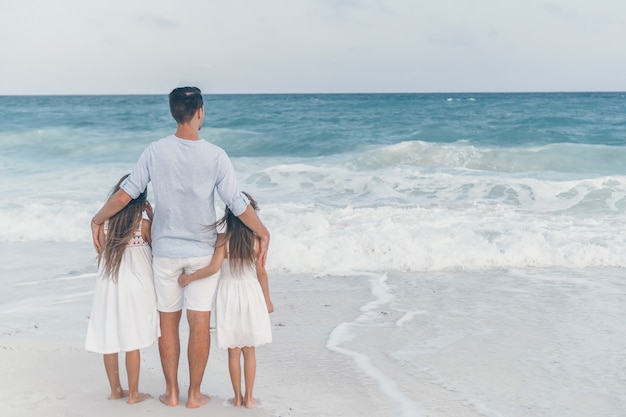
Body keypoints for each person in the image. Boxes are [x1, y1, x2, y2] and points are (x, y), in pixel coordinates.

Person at [90, 86, 270, 408]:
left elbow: (125, 194)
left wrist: (96, 218)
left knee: (168, 321)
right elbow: (237, 203)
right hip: (202, 251)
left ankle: (172, 393)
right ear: (200, 112)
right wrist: (263, 231)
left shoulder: (155, 151)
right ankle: (194, 395)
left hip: (165, 253)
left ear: (174, 112)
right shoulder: (216, 155)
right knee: (199, 322)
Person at [179, 192, 273, 409]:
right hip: (250, 294)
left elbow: (213, 268)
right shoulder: (257, 240)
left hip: (228, 295)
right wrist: (267, 301)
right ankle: (249, 399)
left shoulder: (223, 240)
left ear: (228, 215)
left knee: (233, 349)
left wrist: (188, 278)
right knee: (249, 349)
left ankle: (237, 398)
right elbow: (262, 273)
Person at [85, 174, 158, 404]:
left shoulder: (105, 226)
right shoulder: (144, 225)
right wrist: (153, 217)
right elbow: (156, 250)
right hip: (136, 286)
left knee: (111, 337)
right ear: (141, 201)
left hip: (110, 286)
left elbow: (101, 254)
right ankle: (134, 394)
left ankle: (116, 390)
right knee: (132, 339)